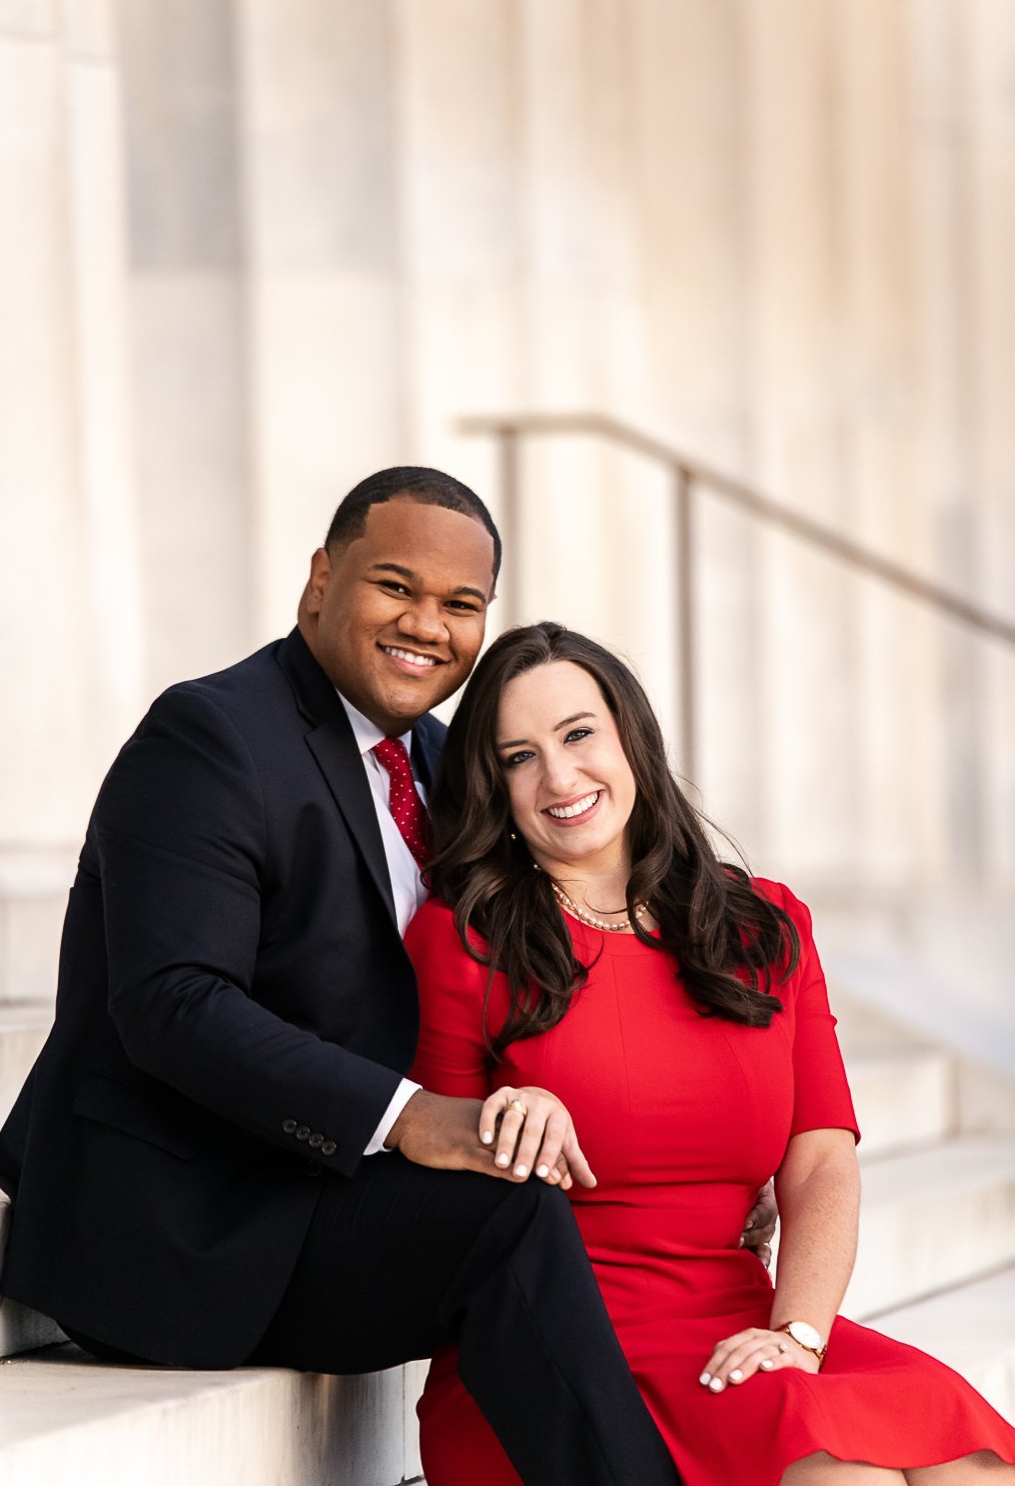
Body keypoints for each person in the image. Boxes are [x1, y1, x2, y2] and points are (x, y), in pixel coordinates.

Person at [0, 467, 686, 1486]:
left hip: (324, 1188)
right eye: (396, 587)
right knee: (509, 1213)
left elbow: (553, 964)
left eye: (461, 605)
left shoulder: (453, 768)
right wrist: (408, 1117)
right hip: (188, 1215)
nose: (428, 625)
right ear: (322, 579)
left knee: (569, 1187)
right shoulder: (211, 738)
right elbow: (172, 1005)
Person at [408, 623, 1015, 1486]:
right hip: (562, 1337)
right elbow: (429, 1184)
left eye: (579, 734)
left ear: (632, 739)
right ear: (493, 786)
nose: (559, 777)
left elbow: (820, 1156)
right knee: (845, 1478)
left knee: (975, 1464)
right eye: (518, 756)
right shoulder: (464, 940)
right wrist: (491, 1124)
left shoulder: (765, 923)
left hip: (740, 1315)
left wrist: (797, 1334)